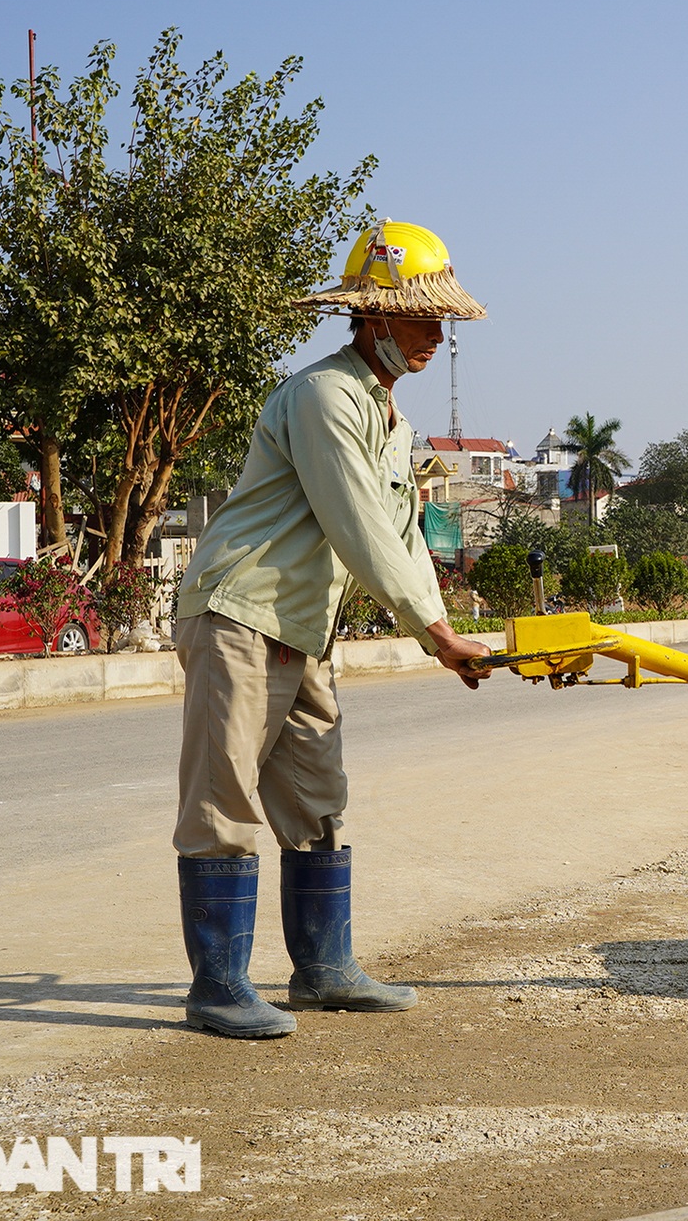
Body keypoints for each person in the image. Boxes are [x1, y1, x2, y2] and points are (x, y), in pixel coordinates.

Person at [170, 221, 493, 1039]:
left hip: (303, 628)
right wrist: (432, 632)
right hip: (241, 611)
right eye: (420, 319)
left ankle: (322, 969)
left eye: (440, 322)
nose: (433, 336)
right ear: (372, 316)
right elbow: (357, 525)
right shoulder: (324, 397)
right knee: (225, 800)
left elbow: (403, 537)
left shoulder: (388, 417)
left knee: (317, 800)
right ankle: (216, 988)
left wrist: (444, 627)